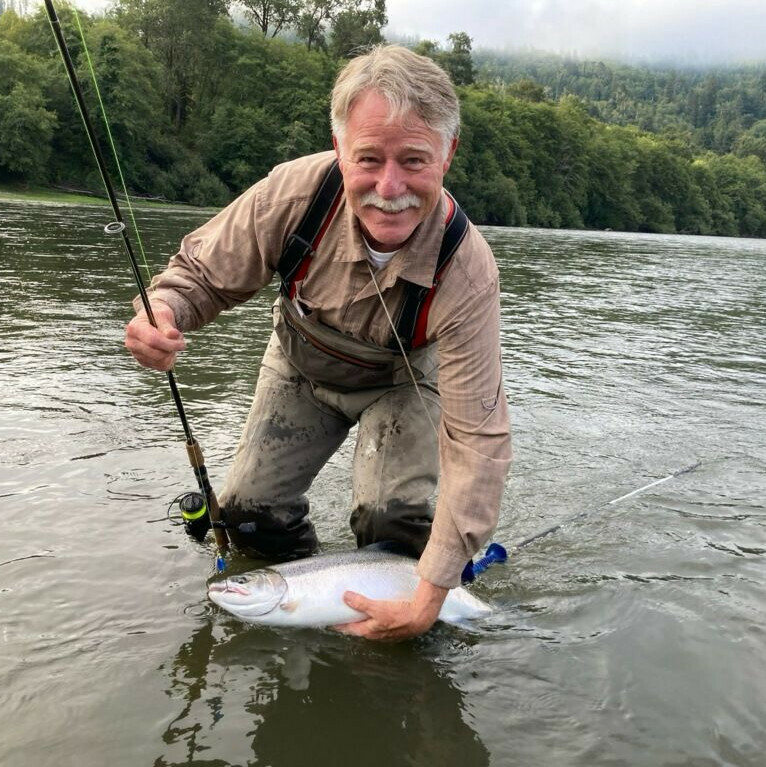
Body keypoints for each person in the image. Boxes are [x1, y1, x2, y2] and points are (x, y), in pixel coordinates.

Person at [125, 45, 511, 640]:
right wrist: (164, 314)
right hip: (300, 372)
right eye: (369, 158)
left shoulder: (468, 271)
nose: (390, 186)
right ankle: (310, 595)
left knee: (397, 522)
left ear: (447, 154)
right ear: (338, 148)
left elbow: (477, 442)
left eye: (413, 160)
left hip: (403, 384)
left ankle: (418, 614)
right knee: (248, 515)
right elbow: (197, 276)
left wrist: (431, 589)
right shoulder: (293, 194)